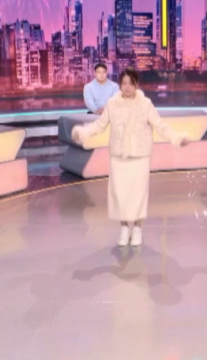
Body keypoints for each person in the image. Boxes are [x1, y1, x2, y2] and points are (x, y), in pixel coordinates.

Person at [72, 68, 187, 247]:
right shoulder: (112, 103)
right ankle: (124, 228)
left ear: (136, 84)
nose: (127, 87)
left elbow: (160, 126)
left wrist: (176, 138)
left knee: (138, 194)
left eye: (130, 83)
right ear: (120, 85)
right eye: (124, 83)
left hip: (139, 157)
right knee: (120, 195)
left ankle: (138, 228)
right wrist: (83, 133)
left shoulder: (145, 104)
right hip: (119, 157)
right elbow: (100, 125)